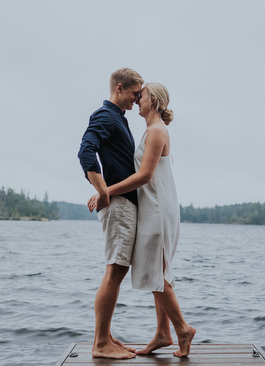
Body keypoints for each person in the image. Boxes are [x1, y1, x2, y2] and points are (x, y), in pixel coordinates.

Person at [88, 82, 196, 357]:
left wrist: (106, 191)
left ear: (155, 101)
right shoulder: (152, 130)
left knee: (155, 273)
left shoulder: (157, 131)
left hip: (157, 210)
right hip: (154, 207)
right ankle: (163, 333)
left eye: (142, 96)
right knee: (158, 273)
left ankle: (183, 329)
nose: (138, 100)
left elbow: (145, 175)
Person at [78, 67, 144, 359]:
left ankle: (105, 336)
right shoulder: (105, 115)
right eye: (134, 93)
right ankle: (100, 343)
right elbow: (85, 151)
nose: (137, 99)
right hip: (118, 206)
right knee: (114, 271)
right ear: (119, 88)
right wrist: (103, 190)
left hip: (122, 203)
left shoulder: (119, 118)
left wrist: (106, 190)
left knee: (116, 271)